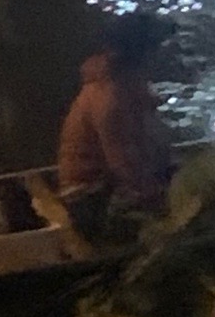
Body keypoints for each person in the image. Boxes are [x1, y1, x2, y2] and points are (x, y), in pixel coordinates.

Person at [57, 14, 174, 210]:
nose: (164, 52)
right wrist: (162, 200)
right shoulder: (111, 96)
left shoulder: (128, 86)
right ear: (141, 52)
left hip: (110, 189)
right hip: (91, 199)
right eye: (158, 45)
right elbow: (124, 163)